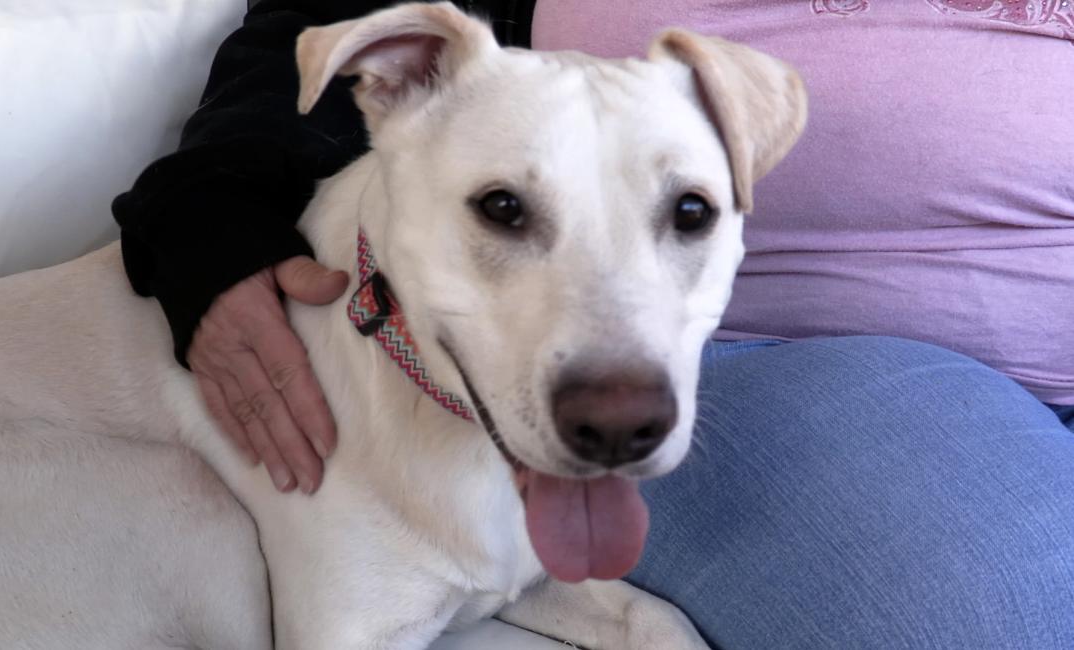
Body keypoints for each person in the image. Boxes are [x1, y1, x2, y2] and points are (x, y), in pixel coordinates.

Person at [112, 0, 1074, 647]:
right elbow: (304, 34)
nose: (618, 377)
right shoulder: (444, 92)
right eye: (504, 212)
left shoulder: (718, 104)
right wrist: (208, 218)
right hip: (856, 374)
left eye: (688, 215)